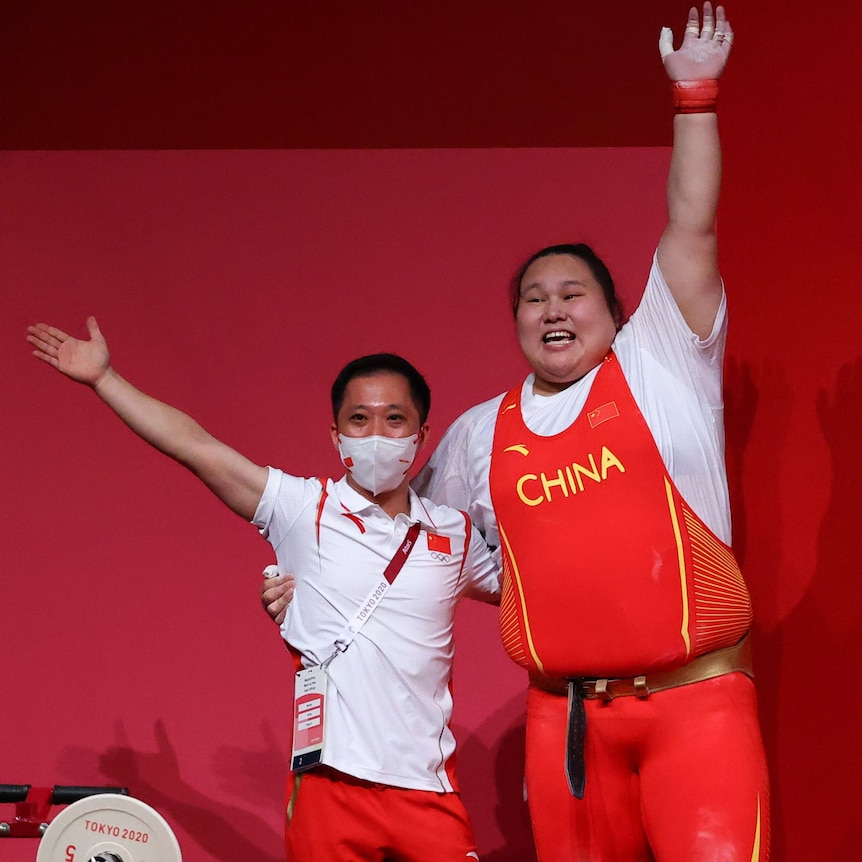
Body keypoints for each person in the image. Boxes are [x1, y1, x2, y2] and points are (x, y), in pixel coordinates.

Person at [264, 4, 769, 860]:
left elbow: (691, 224)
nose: (552, 309)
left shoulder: (661, 362)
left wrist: (695, 97)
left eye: (572, 294)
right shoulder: (476, 436)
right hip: (564, 721)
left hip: (697, 705)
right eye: (533, 299)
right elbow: (392, 537)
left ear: (618, 313)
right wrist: (306, 589)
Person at [25, 326, 499, 862]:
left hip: (429, 789)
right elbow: (195, 446)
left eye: (395, 419)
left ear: (420, 432)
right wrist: (105, 379)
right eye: (359, 419)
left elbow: (534, 592)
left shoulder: (454, 533)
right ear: (335, 435)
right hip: (330, 785)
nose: (376, 435)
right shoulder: (301, 509)